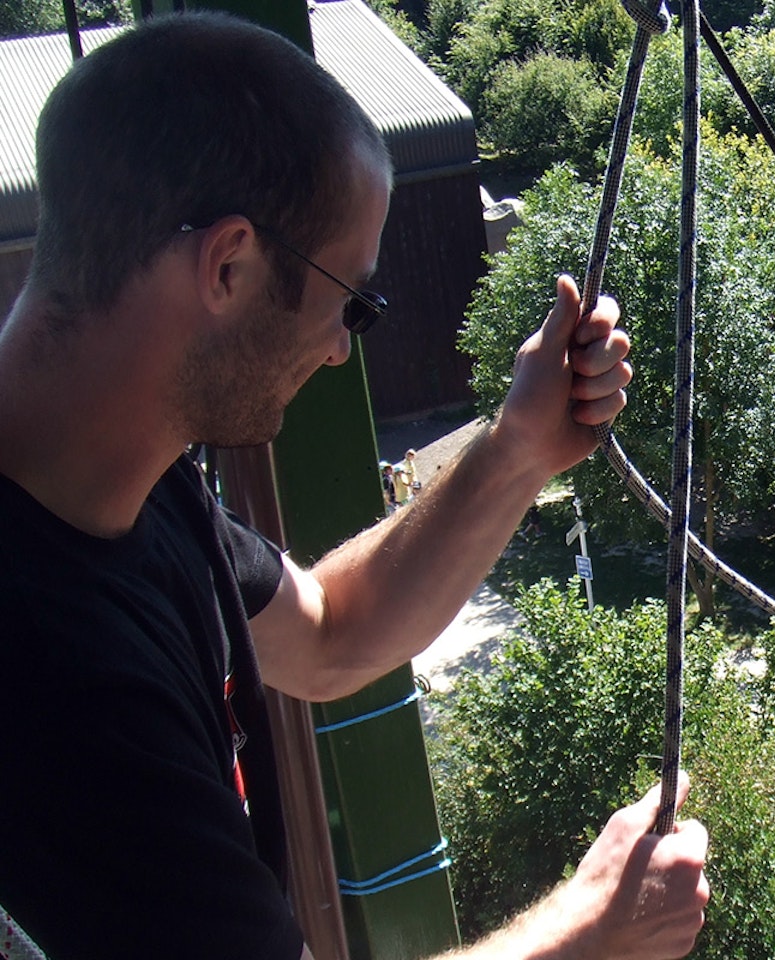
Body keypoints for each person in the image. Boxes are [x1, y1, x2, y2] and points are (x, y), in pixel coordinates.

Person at [0, 13, 707, 960]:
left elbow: (331, 630)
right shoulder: (52, 671)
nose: (341, 348)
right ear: (228, 265)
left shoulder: (123, 477)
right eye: (353, 302)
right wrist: (591, 928)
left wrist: (517, 450)